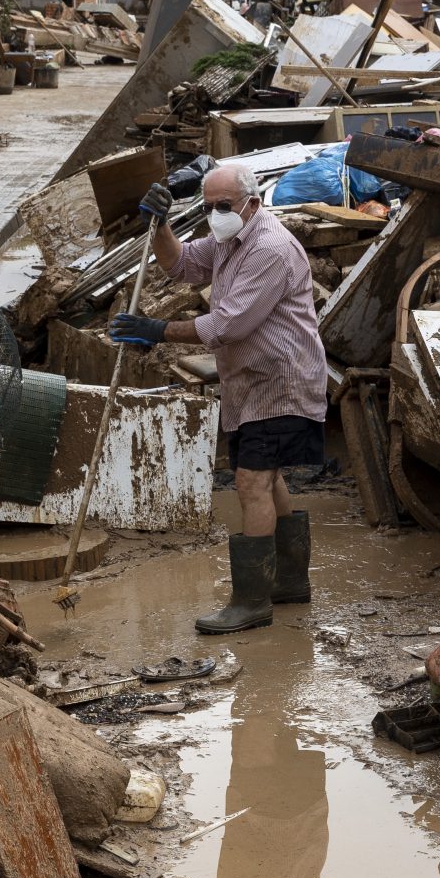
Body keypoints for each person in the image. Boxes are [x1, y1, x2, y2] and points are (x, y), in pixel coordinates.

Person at [108, 165, 326, 634]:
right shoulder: (232, 238)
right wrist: (162, 223)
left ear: (252, 203)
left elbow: (228, 325)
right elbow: (180, 265)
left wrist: (158, 331)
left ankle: (251, 601)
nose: (216, 215)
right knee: (267, 478)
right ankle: (288, 582)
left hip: (280, 381)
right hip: (252, 380)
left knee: (250, 482)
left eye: (223, 206)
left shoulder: (268, 248)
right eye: (208, 208)